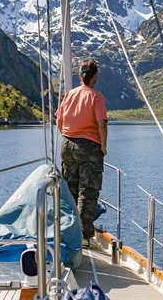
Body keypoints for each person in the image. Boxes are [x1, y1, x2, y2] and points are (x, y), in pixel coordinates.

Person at [56, 59, 108, 249]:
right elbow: (101, 123)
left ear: (80, 76)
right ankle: (85, 237)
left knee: (70, 190)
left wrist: (67, 137)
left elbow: (59, 121)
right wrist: (103, 146)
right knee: (88, 191)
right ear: (95, 76)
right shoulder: (96, 97)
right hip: (89, 147)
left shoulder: (69, 95)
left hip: (67, 144)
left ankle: (67, 232)